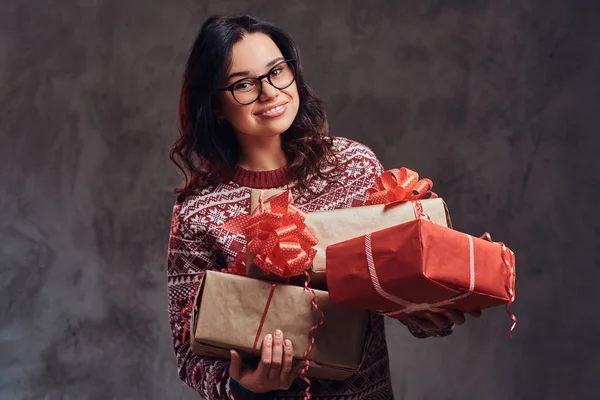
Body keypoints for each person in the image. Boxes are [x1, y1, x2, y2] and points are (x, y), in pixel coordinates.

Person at [167, 14, 481, 400]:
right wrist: (245, 388)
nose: (269, 92)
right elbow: (188, 354)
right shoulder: (199, 211)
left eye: (277, 71)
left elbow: (390, 285)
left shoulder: (351, 167)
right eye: (244, 84)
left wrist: (426, 312)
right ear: (215, 105)